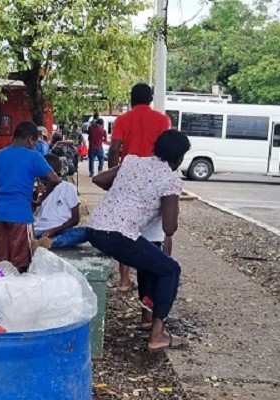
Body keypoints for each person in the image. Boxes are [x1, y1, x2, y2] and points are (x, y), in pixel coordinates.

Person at [88, 129, 191, 351]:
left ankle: (148, 318)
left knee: (153, 262)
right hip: (118, 236)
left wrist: (125, 192)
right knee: (170, 269)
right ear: (180, 158)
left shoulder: (133, 162)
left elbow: (100, 179)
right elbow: (169, 227)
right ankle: (157, 335)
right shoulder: (170, 179)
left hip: (95, 228)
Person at [109, 83, 172, 292]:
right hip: (153, 178)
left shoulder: (123, 119)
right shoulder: (163, 120)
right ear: (151, 99)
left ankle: (124, 279)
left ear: (131, 98)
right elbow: (167, 148)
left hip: (129, 177)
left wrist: (113, 176)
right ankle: (159, 269)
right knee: (155, 228)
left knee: (124, 227)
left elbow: (115, 148)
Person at [0, 121, 61, 273]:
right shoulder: (34, 157)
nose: (34, 146)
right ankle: (19, 292)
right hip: (21, 215)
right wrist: (40, 199)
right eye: (34, 142)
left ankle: (2, 291)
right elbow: (55, 179)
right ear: (29, 139)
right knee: (22, 261)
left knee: (2, 262)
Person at [34, 154, 87, 248]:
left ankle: (49, 243)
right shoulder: (40, 189)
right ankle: (42, 242)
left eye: (44, 177)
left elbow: (75, 219)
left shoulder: (68, 188)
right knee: (23, 230)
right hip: (40, 229)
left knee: (83, 232)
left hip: (61, 228)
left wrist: (54, 230)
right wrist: (36, 194)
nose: (41, 180)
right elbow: (32, 209)